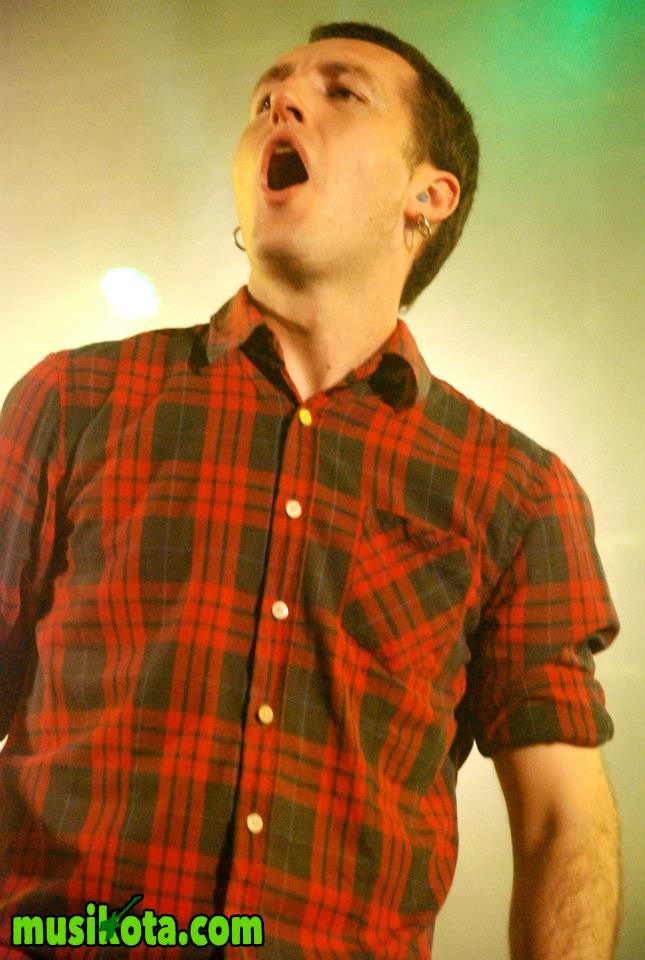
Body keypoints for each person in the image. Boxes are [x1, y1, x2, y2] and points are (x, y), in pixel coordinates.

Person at [0, 20, 620, 960]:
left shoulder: (516, 492)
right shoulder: (75, 400)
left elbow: (561, 825)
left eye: (341, 91)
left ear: (427, 197)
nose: (280, 101)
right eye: (266, 95)